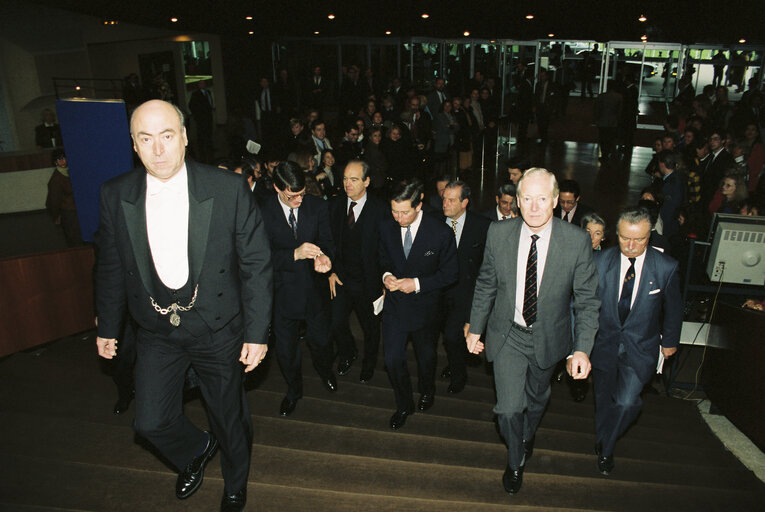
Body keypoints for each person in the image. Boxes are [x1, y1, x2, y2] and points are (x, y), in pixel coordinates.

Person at [95, 100, 272, 512]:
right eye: (146, 138)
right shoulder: (114, 194)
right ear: (134, 145)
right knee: (149, 422)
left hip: (218, 328)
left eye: (167, 136)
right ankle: (196, 449)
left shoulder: (227, 188)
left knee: (228, 417)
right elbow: (110, 266)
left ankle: (234, 483)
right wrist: (107, 324)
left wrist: (257, 333)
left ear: (186, 137)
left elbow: (257, 265)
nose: (158, 149)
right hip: (156, 330)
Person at [466, 167, 600, 494]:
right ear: (517, 201)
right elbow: (486, 283)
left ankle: (529, 432)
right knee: (509, 408)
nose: (535, 207)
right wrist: (475, 327)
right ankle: (515, 460)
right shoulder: (499, 233)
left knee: (537, 400)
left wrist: (582, 348)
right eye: (527, 198)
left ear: (555, 200)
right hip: (508, 333)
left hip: (548, 338)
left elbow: (586, 301)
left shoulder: (577, 241)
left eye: (542, 198)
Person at [591, 207, 682, 475]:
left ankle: (606, 448)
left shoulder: (666, 267)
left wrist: (671, 340)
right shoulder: (599, 262)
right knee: (603, 399)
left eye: (639, 240)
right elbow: (583, 305)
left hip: (640, 347)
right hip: (603, 343)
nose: (631, 246)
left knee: (628, 402)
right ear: (615, 234)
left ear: (650, 236)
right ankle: (602, 436)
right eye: (624, 238)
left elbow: (674, 308)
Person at [260, 161, 337, 417]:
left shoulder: (317, 206)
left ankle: (326, 373)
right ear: (277, 188)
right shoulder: (262, 211)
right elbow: (259, 257)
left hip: (314, 291)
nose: (299, 200)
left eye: (302, 193)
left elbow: (328, 241)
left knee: (322, 342)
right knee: (286, 351)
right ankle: (294, 390)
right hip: (282, 295)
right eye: (293, 196)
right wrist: (294, 254)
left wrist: (325, 258)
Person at [379, 179, 458, 430]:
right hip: (395, 306)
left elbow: (450, 274)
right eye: (394, 211)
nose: (398, 217)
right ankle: (403, 404)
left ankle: (427, 390)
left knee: (426, 357)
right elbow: (380, 259)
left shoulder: (440, 232)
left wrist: (417, 283)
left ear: (419, 206)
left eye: (404, 212)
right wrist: (385, 276)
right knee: (392, 359)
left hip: (426, 308)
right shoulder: (385, 227)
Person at [328, 161, 387, 382]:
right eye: (344, 178)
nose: (347, 184)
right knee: (335, 323)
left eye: (353, 179)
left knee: (371, 329)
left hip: (368, 281)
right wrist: (330, 271)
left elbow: (386, 249)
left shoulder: (380, 210)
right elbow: (327, 242)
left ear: (367, 182)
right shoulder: (334, 206)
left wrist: (384, 280)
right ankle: (348, 352)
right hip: (341, 278)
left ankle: (368, 364)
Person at [439, 180, 491, 394]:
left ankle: (458, 375)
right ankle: (453, 363)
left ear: (465, 203)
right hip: (438, 293)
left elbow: (487, 268)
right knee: (445, 336)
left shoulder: (482, 226)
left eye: (451, 200)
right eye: (444, 199)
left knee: (453, 335)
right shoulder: (433, 221)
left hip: (466, 294)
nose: (445, 204)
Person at [46, 150, 82, 246]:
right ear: (55, 162)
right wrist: (56, 216)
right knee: (75, 239)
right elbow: (54, 200)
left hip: (78, 210)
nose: (62, 162)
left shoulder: (72, 172)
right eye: (58, 160)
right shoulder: (56, 179)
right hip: (69, 213)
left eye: (63, 158)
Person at [188, 80, 215, 163]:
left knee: (209, 132)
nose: (203, 84)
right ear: (199, 85)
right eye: (201, 83)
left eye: (204, 83)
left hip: (208, 117)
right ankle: (202, 152)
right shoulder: (195, 94)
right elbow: (191, 105)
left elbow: (209, 102)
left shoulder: (208, 92)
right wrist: (197, 114)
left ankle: (209, 148)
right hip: (201, 118)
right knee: (201, 134)